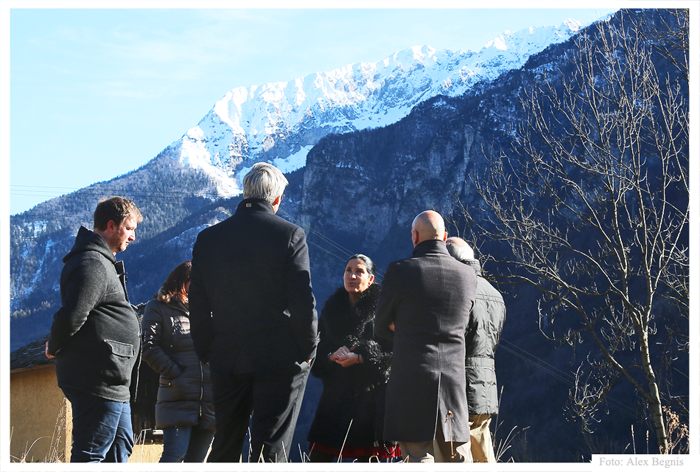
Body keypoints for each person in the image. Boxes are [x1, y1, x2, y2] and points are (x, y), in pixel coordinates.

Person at [189, 162, 319, 463]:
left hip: (226, 355)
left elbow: (198, 301)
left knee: (225, 442)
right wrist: (308, 346)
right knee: (270, 444)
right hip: (279, 356)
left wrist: (206, 348)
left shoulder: (208, 239)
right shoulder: (290, 235)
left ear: (245, 192)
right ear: (276, 199)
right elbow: (302, 298)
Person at [45, 196, 143, 462]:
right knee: (91, 453)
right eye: (130, 228)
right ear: (111, 226)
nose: (133, 237)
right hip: (97, 376)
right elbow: (72, 314)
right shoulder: (92, 263)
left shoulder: (101, 262)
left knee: (119, 448)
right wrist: (54, 346)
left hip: (112, 379)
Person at [375, 210, 477, 463]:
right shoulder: (468, 276)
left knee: (418, 456)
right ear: (444, 237)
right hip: (453, 379)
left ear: (414, 236)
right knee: (456, 457)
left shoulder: (400, 271)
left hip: (412, 377)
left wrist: (404, 328)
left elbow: (379, 326)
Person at [307, 254, 400, 462]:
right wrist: (331, 357)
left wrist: (361, 357)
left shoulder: (384, 311)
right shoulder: (331, 311)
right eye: (348, 270)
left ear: (371, 279)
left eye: (359, 271)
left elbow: (396, 357)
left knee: (369, 460)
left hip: (370, 401)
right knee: (319, 459)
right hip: (334, 399)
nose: (352, 276)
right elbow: (317, 353)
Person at [141, 261, 216, 462]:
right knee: (174, 456)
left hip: (209, 400)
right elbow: (148, 347)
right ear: (182, 282)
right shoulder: (158, 307)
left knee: (197, 461)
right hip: (177, 396)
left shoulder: (211, 310)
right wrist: (174, 372)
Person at [446, 237, 506, 463]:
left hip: (460, 384)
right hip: (486, 384)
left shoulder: (459, 291)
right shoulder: (495, 294)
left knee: (459, 452)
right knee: (484, 451)